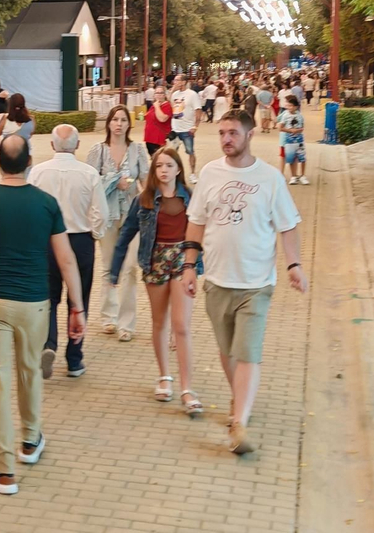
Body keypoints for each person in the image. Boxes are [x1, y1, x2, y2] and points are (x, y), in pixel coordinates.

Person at [0, 136, 86, 496]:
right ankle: (30, 441)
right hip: (35, 302)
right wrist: (77, 306)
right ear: (30, 162)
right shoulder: (46, 204)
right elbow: (65, 259)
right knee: (30, 371)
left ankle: (3, 469)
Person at [183, 110, 307, 455]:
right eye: (222, 132)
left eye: (233, 133)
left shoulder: (269, 179)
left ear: (249, 135)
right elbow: (196, 222)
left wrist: (294, 264)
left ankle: (239, 423)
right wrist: (189, 266)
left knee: (248, 352)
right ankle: (240, 401)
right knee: (228, 352)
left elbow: (289, 225)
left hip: (256, 284)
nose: (226, 139)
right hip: (218, 281)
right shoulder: (209, 173)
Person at [111, 147, 202, 414]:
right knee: (160, 322)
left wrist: (196, 263)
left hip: (183, 260)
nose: (164, 170)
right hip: (155, 260)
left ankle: (188, 388)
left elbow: (202, 231)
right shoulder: (144, 199)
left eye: (169, 165)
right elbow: (126, 234)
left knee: (181, 325)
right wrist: (114, 272)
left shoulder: (190, 197)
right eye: (159, 165)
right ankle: (164, 376)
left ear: (178, 169)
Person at [28, 125, 106, 379]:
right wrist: (94, 234)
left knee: (48, 299)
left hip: (47, 241)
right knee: (79, 299)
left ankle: (48, 344)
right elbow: (100, 213)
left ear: (51, 145)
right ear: (78, 144)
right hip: (80, 241)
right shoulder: (89, 173)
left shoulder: (37, 173)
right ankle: (74, 359)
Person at [86, 106, 148, 341]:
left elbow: (145, 180)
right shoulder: (98, 151)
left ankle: (126, 324)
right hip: (108, 215)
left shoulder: (137, 150)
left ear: (129, 125)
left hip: (133, 216)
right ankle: (108, 318)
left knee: (130, 269)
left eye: (123, 120)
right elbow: (89, 182)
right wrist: (113, 180)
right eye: (115, 119)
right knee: (108, 267)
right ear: (109, 123)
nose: (119, 124)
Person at [168, 73, 204, 180]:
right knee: (172, 152)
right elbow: (170, 104)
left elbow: (198, 110)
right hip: (175, 128)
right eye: (174, 80)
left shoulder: (192, 94)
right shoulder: (174, 94)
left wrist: (195, 126)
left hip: (187, 128)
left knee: (190, 151)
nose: (175, 82)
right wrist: (172, 90)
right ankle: (173, 173)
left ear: (184, 82)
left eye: (177, 80)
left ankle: (192, 173)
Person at [277, 94, 309, 185]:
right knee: (288, 158)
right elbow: (280, 125)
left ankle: (299, 175)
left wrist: (297, 130)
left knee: (300, 157)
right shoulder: (284, 114)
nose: (288, 107)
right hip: (287, 140)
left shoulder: (299, 115)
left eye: (290, 105)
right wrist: (290, 130)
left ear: (295, 106)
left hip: (298, 139)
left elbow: (302, 127)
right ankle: (290, 175)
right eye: (287, 105)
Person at [143, 84, 173, 156]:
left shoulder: (167, 106)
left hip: (159, 139)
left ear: (164, 95)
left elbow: (162, 119)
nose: (159, 95)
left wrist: (157, 106)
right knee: (153, 159)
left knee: (159, 159)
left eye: (161, 93)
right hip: (149, 137)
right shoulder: (153, 106)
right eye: (157, 93)